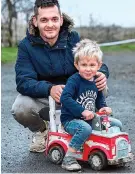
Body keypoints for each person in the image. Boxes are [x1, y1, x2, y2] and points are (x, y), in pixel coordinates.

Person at [11, 0, 109, 153]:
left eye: (54, 19)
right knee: (20, 107)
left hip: (76, 96)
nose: (50, 24)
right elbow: (23, 81)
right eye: (44, 20)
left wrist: (103, 72)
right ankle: (43, 131)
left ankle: (93, 125)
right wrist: (49, 89)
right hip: (47, 98)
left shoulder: (73, 38)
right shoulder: (26, 45)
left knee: (98, 83)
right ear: (35, 21)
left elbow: (92, 59)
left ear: (61, 19)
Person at [60, 39, 122, 171]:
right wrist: (82, 111)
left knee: (116, 124)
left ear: (99, 65)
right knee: (85, 129)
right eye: (84, 65)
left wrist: (103, 108)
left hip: (91, 119)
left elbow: (99, 100)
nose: (88, 69)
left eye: (92, 65)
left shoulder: (96, 81)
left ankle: (116, 151)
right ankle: (68, 158)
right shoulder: (74, 80)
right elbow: (65, 98)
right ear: (77, 65)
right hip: (71, 120)